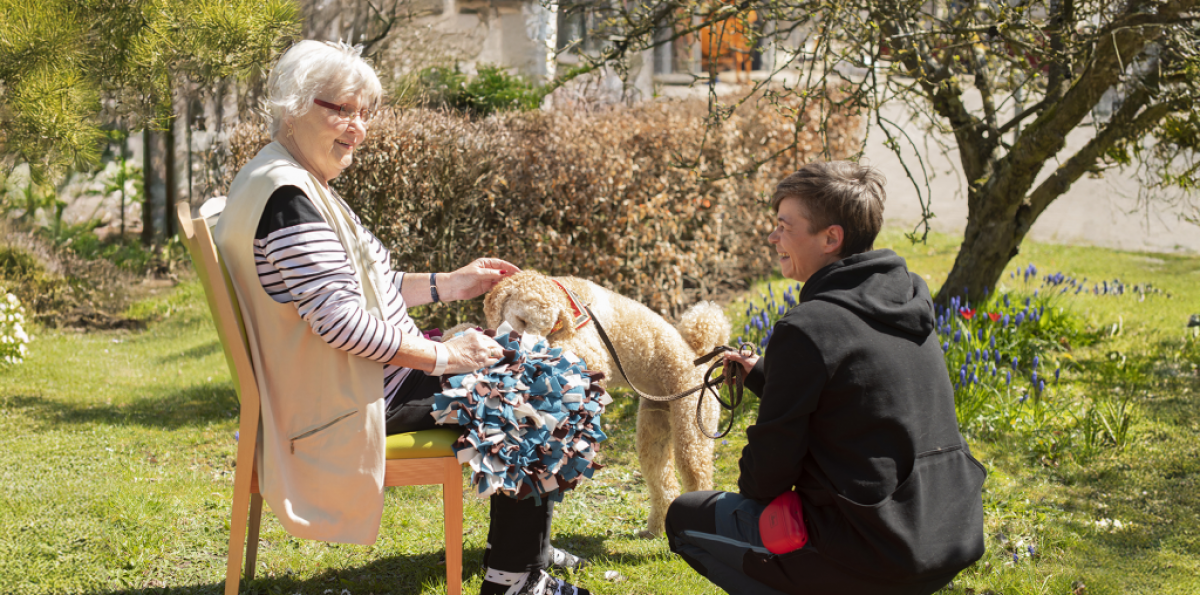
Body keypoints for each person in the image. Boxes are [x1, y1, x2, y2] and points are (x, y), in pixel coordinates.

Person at [214, 40, 587, 595]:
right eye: (339, 109)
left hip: (346, 385)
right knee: (539, 394)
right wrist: (447, 356)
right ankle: (515, 578)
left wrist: (451, 283)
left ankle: (526, 549)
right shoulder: (290, 200)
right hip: (347, 406)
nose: (357, 127)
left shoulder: (275, 177)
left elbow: (362, 289)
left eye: (364, 113)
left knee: (540, 371)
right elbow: (340, 323)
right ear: (293, 105)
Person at [664, 161, 986, 595]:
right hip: (944, 537)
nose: (773, 237)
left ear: (831, 238)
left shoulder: (809, 327)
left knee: (686, 516)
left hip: (870, 554)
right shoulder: (907, 299)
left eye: (784, 226)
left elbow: (764, 481)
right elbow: (861, 397)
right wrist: (766, 376)